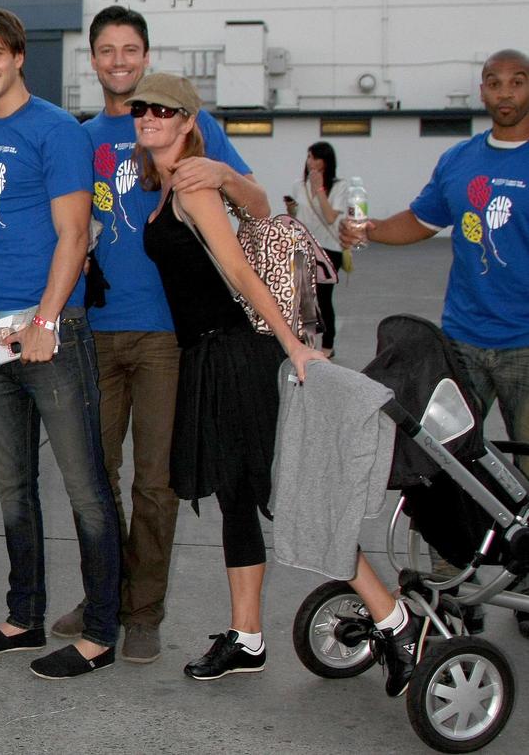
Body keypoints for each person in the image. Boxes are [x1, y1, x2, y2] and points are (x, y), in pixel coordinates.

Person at [133, 72, 422, 689]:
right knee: (238, 497)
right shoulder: (165, 188)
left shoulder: (192, 184)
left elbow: (238, 270)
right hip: (209, 359)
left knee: (285, 495)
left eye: (164, 109)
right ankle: (247, 637)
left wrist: (293, 345)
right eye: (142, 108)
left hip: (239, 356)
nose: (150, 116)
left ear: (188, 122)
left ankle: (394, 618)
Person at [72, 5, 266, 663]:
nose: (119, 60)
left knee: (155, 481)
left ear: (146, 56)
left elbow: (255, 200)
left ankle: (145, 608)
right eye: (107, 49)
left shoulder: (190, 121)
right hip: (94, 330)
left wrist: (228, 177)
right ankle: (109, 593)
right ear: (92, 60)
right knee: (94, 475)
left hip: (165, 335)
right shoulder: (83, 135)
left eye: (131, 49)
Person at [0, 8, 122, 680]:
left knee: (85, 489)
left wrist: (47, 322)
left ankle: (101, 632)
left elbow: (74, 237)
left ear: (19, 56)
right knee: (13, 487)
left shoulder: (56, 130)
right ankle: (24, 617)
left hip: (50, 332)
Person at [349, 49, 529, 472]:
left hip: (525, 343)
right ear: (481, 91)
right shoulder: (458, 161)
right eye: (494, 82)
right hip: (463, 339)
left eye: (517, 81)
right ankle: (464, 541)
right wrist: (371, 228)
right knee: (448, 461)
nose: (506, 92)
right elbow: (420, 220)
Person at [285, 141, 346, 357]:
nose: (311, 161)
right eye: (309, 156)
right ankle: (305, 343)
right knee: (302, 296)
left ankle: (328, 345)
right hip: (303, 245)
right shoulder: (298, 185)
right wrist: (291, 210)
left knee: (322, 296)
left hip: (329, 248)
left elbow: (330, 217)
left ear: (326, 162)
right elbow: (298, 218)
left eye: (316, 157)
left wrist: (319, 188)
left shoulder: (340, 187)